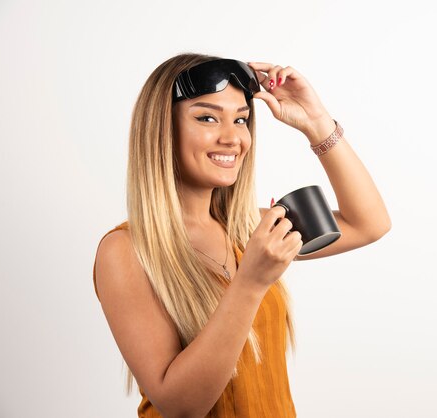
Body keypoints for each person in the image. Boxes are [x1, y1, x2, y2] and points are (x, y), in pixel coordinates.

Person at [92, 52, 391, 418]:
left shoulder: (249, 228)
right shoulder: (125, 251)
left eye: (242, 120)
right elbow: (180, 406)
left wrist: (316, 122)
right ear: (161, 129)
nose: (233, 138)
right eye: (207, 117)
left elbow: (369, 223)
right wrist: (250, 281)